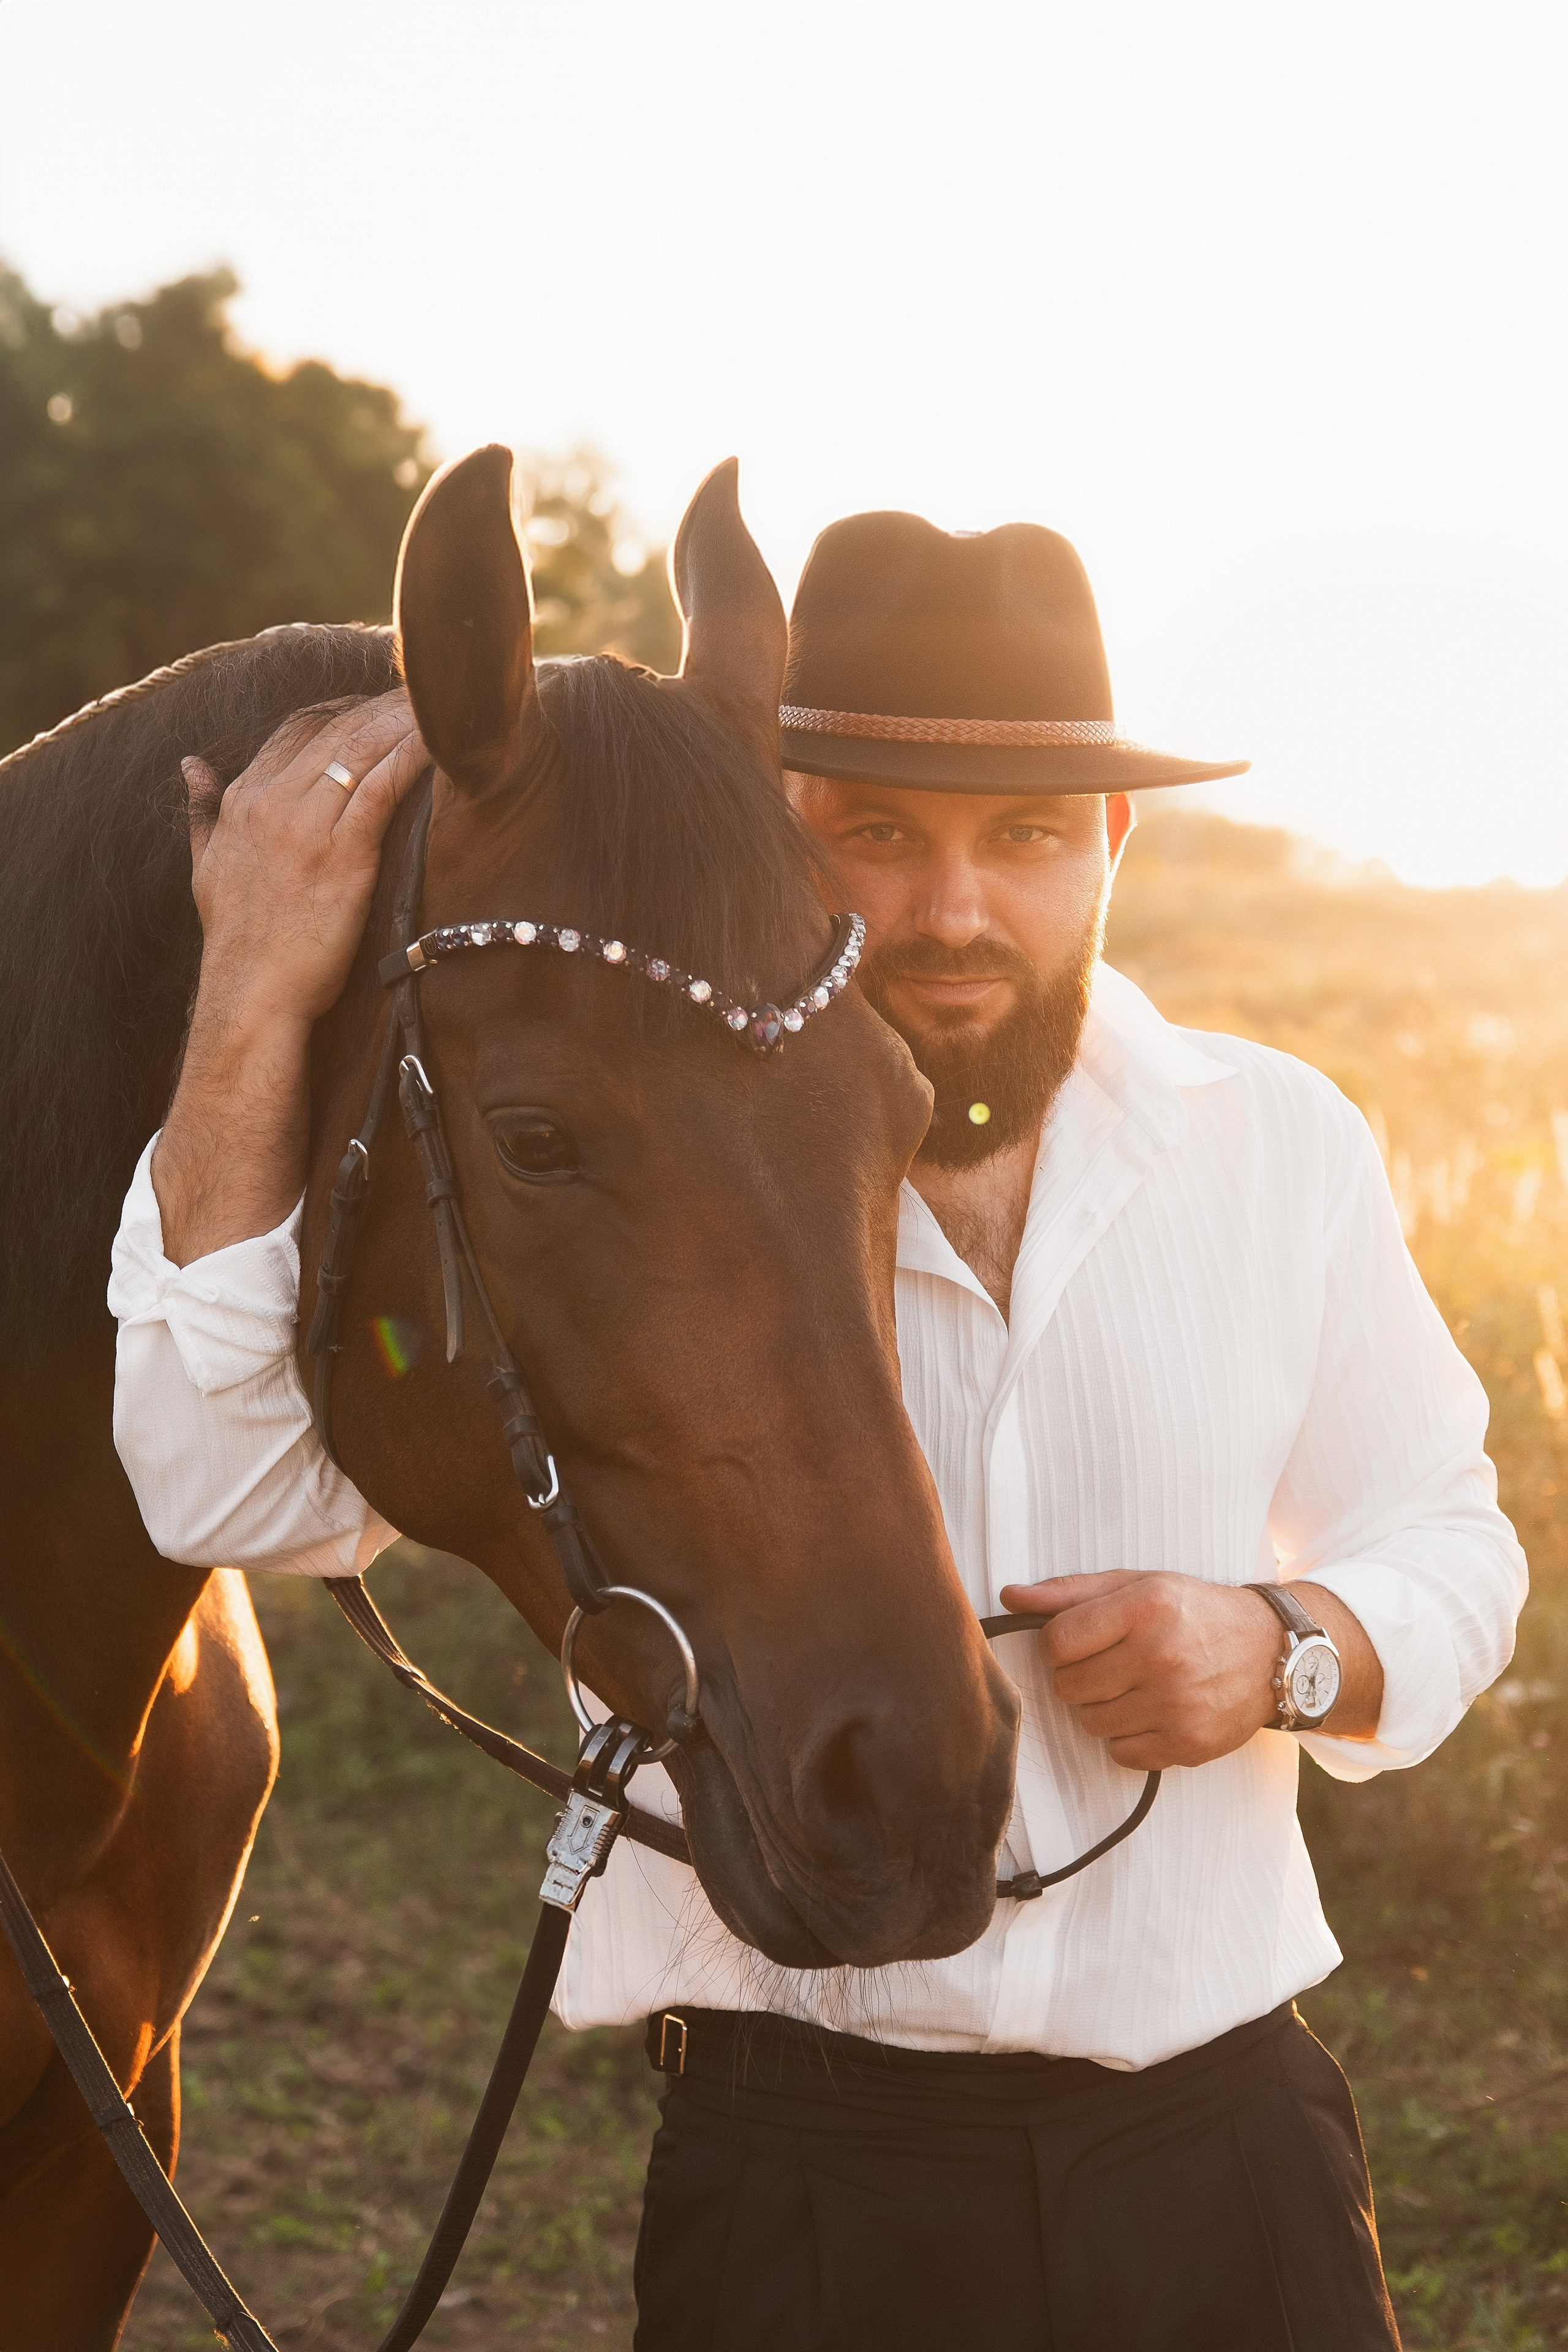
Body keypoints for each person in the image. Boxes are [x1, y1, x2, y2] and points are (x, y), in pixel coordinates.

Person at [108, 511, 1525, 2351]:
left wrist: (1287, 1651)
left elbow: (1452, 1539)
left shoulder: (1283, 1145)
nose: (950, 910)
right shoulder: (646, 1169)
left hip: (1224, 2144)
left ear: (1110, 849)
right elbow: (219, 1484)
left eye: (1022, 839)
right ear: (775, 831)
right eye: (878, 832)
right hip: (800, 2189)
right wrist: (254, 998)